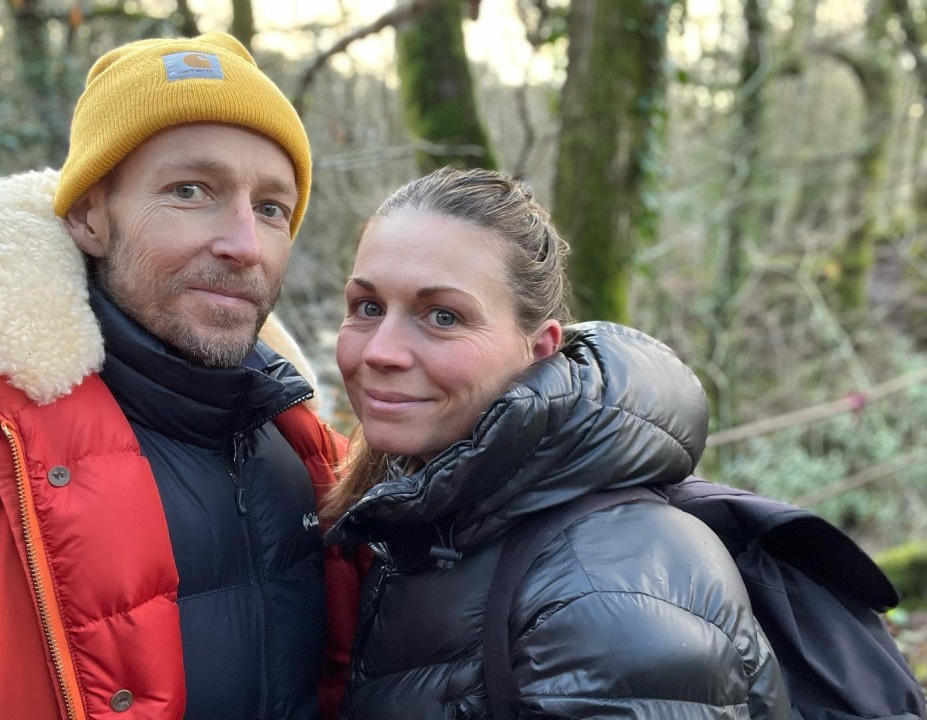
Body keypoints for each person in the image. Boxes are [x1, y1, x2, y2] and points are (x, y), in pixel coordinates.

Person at [0, 33, 362, 720]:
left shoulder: (317, 460)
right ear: (90, 214)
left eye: (271, 207)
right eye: (191, 191)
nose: (243, 245)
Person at [322, 166, 791, 718]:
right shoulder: (422, 513)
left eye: (443, 316)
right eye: (368, 307)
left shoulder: (606, 595)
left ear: (540, 348)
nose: (381, 351)